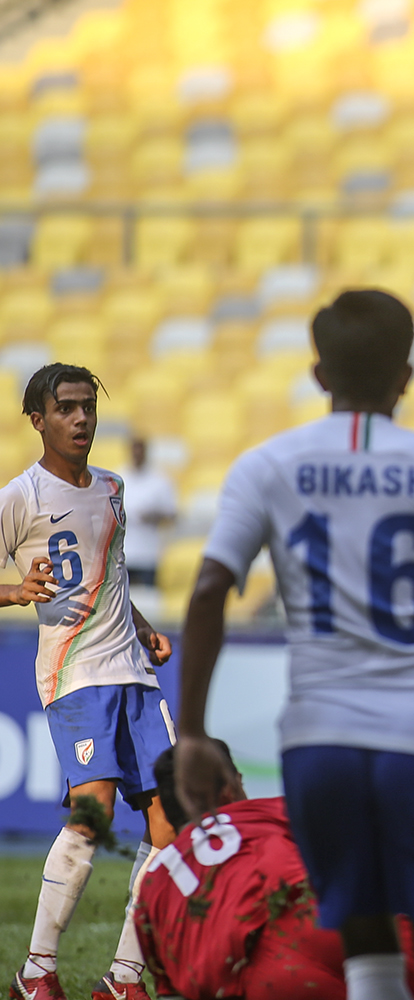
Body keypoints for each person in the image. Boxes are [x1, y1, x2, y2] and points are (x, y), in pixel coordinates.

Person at [170, 289, 414, 1000]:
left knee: (365, 941)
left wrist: (192, 731)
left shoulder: (266, 465)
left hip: (316, 740)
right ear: (407, 375)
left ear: (318, 375)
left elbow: (209, 591)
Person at [0, 363, 177, 1000]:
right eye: (67, 409)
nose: (81, 419)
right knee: (94, 808)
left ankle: (124, 978)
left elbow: (110, 580)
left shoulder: (113, 488)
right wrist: (16, 590)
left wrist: (146, 625)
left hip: (133, 670)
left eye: (87, 408)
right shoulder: (21, 496)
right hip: (75, 673)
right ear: (37, 420)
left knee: (171, 821)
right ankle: (37, 972)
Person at [135, 744, 414, 1000]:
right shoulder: (257, 812)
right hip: (309, 923)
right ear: (224, 788)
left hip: (244, 984)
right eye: (238, 779)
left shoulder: (150, 888)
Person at [120, 438, 177, 590]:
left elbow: (172, 515)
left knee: (148, 599)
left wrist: (154, 516)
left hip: (149, 554)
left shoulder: (160, 480)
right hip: (124, 553)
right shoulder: (119, 476)